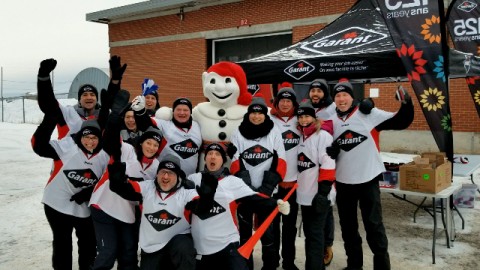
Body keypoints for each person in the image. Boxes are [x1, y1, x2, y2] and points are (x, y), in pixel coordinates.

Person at [326, 81, 414, 270]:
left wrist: (406, 102)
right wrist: (329, 151)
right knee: (348, 229)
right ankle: (354, 265)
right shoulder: (330, 120)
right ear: (334, 100)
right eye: (338, 96)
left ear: (352, 97)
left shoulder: (367, 114)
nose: (341, 99)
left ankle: (382, 266)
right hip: (343, 182)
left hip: (368, 179)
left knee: (374, 226)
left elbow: (400, 121)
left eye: (345, 95)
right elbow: (319, 143)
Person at [187, 143, 290, 270]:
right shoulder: (193, 179)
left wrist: (276, 203)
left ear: (223, 160)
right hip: (200, 249)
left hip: (227, 246)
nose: (213, 157)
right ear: (205, 158)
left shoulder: (232, 182)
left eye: (217, 154)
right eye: (209, 154)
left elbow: (256, 199)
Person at [31, 116, 109, 270]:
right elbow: (38, 146)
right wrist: (49, 119)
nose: (90, 142)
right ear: (80, 136)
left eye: (94, 138)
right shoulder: (68, 146)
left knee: (88, 243)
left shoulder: (104, 156)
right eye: (86, 137)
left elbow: (108, 180)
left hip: (84, 207)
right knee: (62, 242)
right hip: (56, 203)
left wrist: (89, 192)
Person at [89, 110, 162, 270]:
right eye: (148, 142)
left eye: (155, 145)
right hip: (104, 206)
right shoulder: (127, 150)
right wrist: (114, 118)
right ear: (141, 142)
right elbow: (110, 141)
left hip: (128, 213)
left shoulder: (156, 167)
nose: (151, 147)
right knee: (108, 252)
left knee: (129, 253)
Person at [109, 154, 198, 270]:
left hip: (176, 248)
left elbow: (201, 205)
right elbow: (125, 189)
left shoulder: (186, 193)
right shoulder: (147, 188)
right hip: (152, 249)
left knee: (183, 246)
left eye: (170, 173)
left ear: (178, 176)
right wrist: (116, 182)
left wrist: (206, 198)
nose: (165, 176)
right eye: (162, 172)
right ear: (157, 174)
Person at [230, 97, 287, 270]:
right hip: (245, 193)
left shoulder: (274, 131)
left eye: (260, 113)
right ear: (248, 114)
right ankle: (245, 266)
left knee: (268, 235)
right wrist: (247, 189)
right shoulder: (238, 133)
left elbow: (281, 161)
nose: (256, 116)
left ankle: (269, 266)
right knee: (245, 235)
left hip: (267, 193)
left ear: (265, 114)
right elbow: (235, 162)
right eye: (253, 113)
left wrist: (266, 188)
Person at [36, 56, 127, 139]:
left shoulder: (104, 115)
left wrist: (115, 80)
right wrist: (43, 78)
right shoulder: (67, 114)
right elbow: (48, 105)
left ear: (96, 99)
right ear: (79, 99)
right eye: (85, 95)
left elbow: (112, 101)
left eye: (92, 94)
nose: (89, 97)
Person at [296, 102, 336, 270]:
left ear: (314, 117)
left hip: (318, 195)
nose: (304, 119)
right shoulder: (300, 135)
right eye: (301, 116)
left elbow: (328, 164)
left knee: (315, 235)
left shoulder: (322, 136)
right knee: (310, 235)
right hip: (304, 195)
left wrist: (323, 192)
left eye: (307, 116)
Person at [269, 87, 301, 270]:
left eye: (289, 101)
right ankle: (272, 262)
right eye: (282, 100)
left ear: (294, 103)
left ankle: (289, 262)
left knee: (289, 227)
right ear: (277, 102)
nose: (285, 103)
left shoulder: (300, 120)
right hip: (274, 183)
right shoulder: (270, 120)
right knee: (272, 227)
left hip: (292, 184)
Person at [133, 96, 202, 176]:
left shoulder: (197, 125)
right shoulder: (165, 124)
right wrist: (140, 111)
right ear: (173, 111)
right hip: (165, 178)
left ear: (190, 112)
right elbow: (145, 124)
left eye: (185, 110)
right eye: (178, 109)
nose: (182, 113)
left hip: (191, 179)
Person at [307, 78, 336, 266]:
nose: (315, 94)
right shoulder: (307, 109)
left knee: (326, 206)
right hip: (309, 168)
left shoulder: (333, 109)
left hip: (328, 164)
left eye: (319, 91)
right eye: (312, 90)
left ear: (325, 93)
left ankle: (328, 245)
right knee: (314, 207)